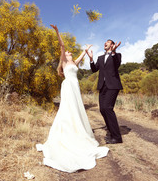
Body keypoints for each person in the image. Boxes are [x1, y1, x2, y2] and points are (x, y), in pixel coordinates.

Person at [36, 24, 109, 173]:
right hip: (68, 86)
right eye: (68, 52)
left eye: (69, 52)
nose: (69, 52)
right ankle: (67, 132)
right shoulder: (64, 61)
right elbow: (62, 45)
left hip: (75, 86)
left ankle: (78, 130)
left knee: (77, 108)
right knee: (68, 108)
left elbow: (83, 55)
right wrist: (57, 31)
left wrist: (87, 48)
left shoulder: (74, 63)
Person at [86, 39, 123, 144]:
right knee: (102, 109)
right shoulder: (100, 58)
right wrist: (91, 59)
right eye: (105, 42)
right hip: (102, 86)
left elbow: (117, 64)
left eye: (108, 42)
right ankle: (112, 134)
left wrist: (114, 52)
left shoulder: (117, 55)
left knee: (108, 108)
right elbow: (94, 69)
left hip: (113, 86)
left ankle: (117, 137)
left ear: (112, 45)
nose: (105, 43)